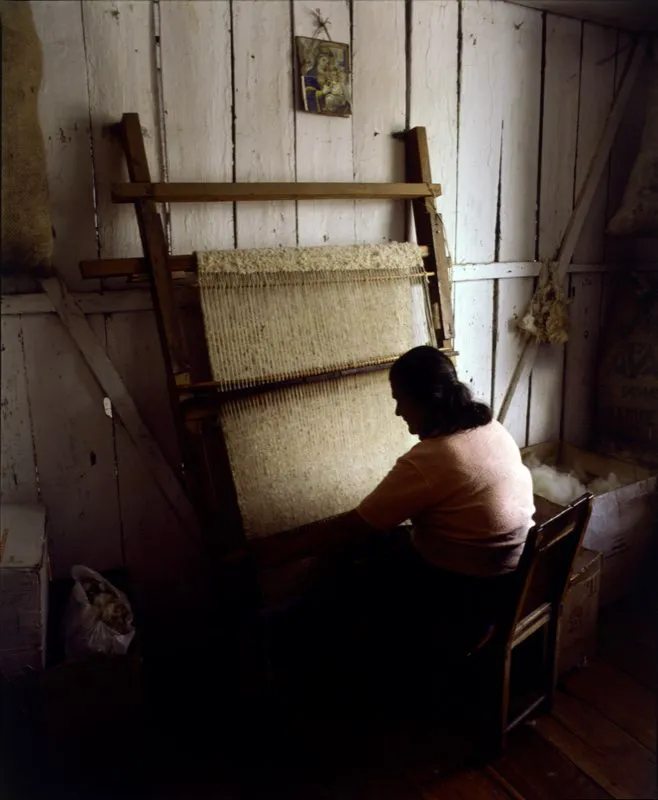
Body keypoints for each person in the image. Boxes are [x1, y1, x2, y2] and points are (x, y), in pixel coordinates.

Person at [252, 346, 535, 710]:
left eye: (401, 400)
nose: (398, 411)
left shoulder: (433, 459)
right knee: (387, 544)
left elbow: (352, 527)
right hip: (513, 574)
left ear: (425, 400)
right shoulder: (488, 428)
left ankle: (347, 677)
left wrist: (276, 554)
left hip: (469, 591)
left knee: (357, 569)